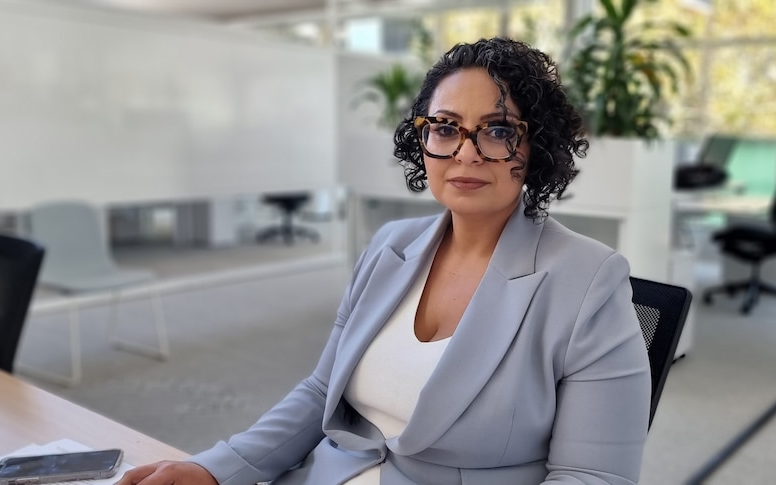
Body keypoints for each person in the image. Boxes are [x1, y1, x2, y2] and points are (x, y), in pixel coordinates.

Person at [115, 37, 651, 485]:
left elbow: (593, 476)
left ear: (537, 147)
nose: (466, 153)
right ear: (423, 141)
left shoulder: (588, 281)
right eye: (445, 127)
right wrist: (213, 469)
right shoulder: (390, 246)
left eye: (498, 130)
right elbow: (323, 391)